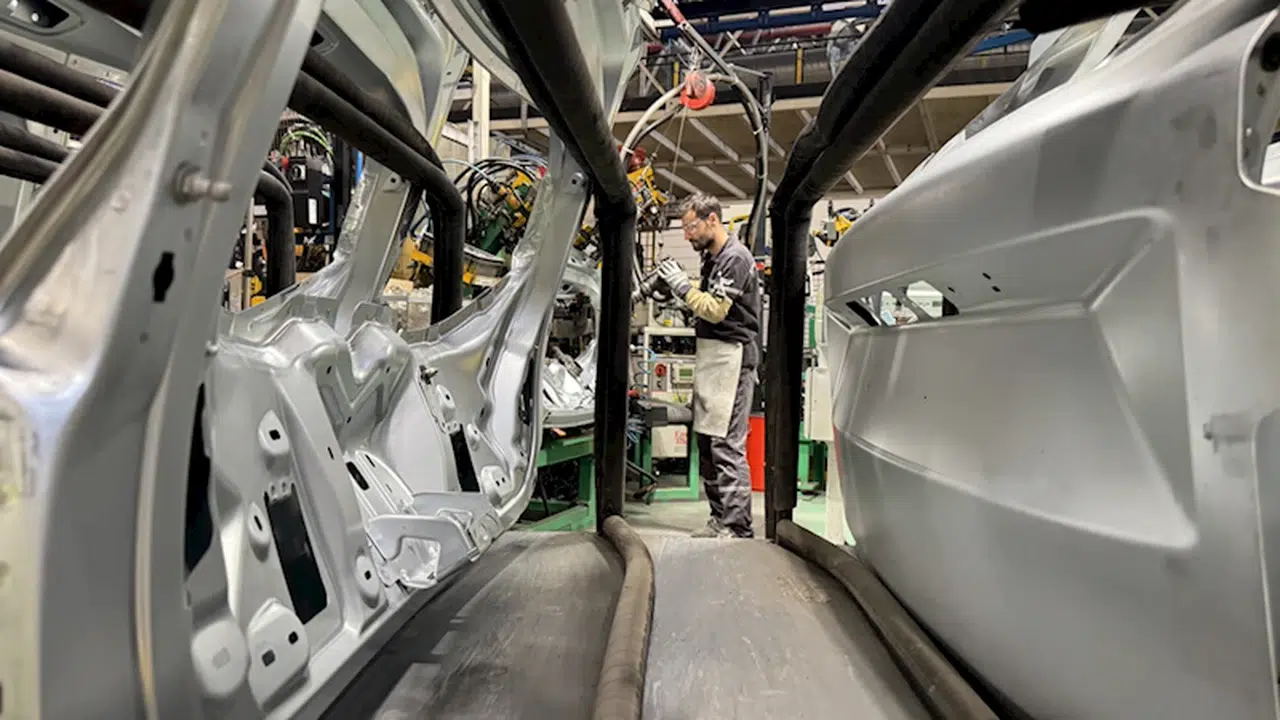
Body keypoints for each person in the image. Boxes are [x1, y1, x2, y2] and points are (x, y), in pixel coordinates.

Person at [655, 194, 761, 538]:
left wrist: (682, 287)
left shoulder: (735, 258)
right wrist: (681, 293)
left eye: (690, 227)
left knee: (726, 446)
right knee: (708, 445)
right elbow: (705, 301)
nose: (687, 235)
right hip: (713, 356)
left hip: (732, 357)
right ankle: (720, 518)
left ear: (712, 219)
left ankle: (738, 527)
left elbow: (715, 310)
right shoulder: (712, 258)